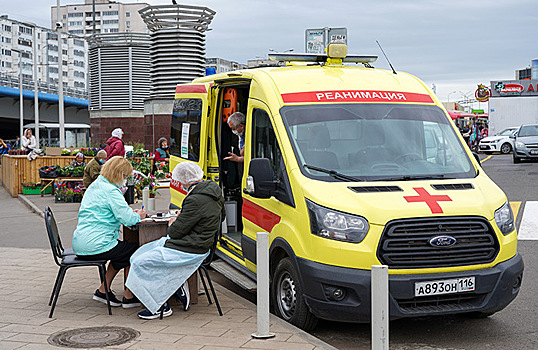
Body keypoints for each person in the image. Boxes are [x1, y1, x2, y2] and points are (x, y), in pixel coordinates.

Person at [126, 162, 225, 319]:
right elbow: (218, 217)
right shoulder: (214, 193)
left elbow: (175, 232)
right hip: (200, 245)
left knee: (140, 261)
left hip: (189, 248)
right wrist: (186, 217)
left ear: (184, 180)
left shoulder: (194, 199)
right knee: (139, 256)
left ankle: (160, 305)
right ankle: (173, 288)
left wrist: (174, 221)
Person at [72, 156, 147, 308]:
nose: (125, 180)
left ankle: (103, 290)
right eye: (125, 176)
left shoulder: (95, 186)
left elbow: (115, 211)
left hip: (81, 243)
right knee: (134, 251)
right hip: (97, 244)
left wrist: (129, 213)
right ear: (118, 173)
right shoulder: (111, 191)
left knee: (122, 250)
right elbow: (128, 219)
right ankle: (129, 296)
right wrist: (138, 215)